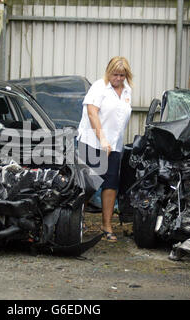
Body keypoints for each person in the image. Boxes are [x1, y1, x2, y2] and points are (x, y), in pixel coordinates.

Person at [77, 56, 133, 242]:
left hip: (114, 145)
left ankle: (106, 225)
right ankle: (77, 219)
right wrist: (102, 139)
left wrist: (112, 142)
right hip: (93, 142)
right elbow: (92, 113)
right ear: (108, 72)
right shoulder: (99, 87)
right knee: (89, 184)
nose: (118, 78)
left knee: (111, 183)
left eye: (122, 75)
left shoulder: (127, 91)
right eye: (115, 74)